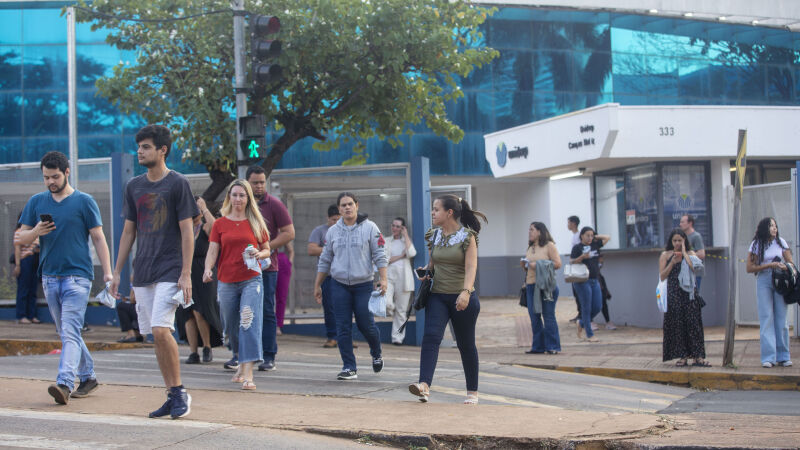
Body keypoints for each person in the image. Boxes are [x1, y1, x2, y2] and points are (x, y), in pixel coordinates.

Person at [110, 124, 198, 419]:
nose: (140, 151)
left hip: (171, 268)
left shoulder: (178, 183)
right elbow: (128, 232)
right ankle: (171, 394)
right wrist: (117, 271)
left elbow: (188, 231)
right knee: (153, 336)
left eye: (146, 147)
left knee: (162, 329)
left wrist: (186, 273)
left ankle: (180, 393)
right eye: (139, 147)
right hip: (143, 270)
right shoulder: (133, 186)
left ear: (162, 150)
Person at [16, 151, 113, 404]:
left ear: (67, 172)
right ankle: (88, 376)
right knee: (67, 332)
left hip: (78, 277)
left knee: (69, 330)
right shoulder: (37, 202)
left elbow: (99, 237)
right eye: (46, 177)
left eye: (55, 176)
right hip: (49, 277)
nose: (51, 182)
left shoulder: (84, 201)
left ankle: (64, 383)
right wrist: (36, 231)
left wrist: (108, 272)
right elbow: (20, 239)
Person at [408, 194, 486, 405]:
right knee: (431, 337)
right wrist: (426, 271)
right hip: (438, 296)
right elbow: (434, 262)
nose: (432, 213)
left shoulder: (467, 237)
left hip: (462, 298)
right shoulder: (434, 236)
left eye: (436, 209)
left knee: (465, 344)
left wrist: (466, 292)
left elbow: (471, 267)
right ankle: (424, 385)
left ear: (449, 213)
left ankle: (472, 392)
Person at [204, 180, 271, 390]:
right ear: (229, 198)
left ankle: (249, 371)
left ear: (248, 198)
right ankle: (240, 359)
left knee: (248, 320)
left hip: (251, 278)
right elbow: (213, 250)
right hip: (226, 280)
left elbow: (267, 249)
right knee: (231, 325)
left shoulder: (256, 222)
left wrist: (260, 254)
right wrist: (208, 269)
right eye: (235, 195)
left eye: (242, 195)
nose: (238, 199)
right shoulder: (219, 224)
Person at [314, 192, 387, 380]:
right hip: (339, 285)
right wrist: (318, 285)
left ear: (357, 205)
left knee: (366, 325)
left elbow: (380, 255)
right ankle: (349, 366)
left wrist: (384, 279)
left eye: (350, 204)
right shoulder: (332, 232)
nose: (347, 208)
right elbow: (325, 259)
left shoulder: (370, 228)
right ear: (339, 209)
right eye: (343, 205)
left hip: (363, 285)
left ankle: (376, 352)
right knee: (343, 327)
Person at [245, 166, 295, 372]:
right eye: (255, 182)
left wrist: (266, 248)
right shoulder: (239, 203)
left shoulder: (274, 204)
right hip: (241, 269)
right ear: (246, 181)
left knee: (266, 310)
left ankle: (268, 355)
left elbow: (289, 233)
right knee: (244, 312)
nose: (259, 186)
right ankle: (242, 355)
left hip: (267, 267)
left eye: (262, 182)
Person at [179, 197, 223, 364]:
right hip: (185, 272)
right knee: (187, 313)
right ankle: (193, 351)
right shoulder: (184, 227)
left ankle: (207, 346)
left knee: (200, 311)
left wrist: (204, 208)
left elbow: (215, 228)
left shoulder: (204, 226)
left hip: (202, 273)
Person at [746, 217, 793, 368]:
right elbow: (749, 268)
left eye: (775, 225)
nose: (774, 228)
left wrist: (785, 266)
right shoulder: (756, 244)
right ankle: (768, 357)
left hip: (780, 279)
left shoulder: (781, 242)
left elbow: (791, 263)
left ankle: (784, 356)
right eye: (771, 225)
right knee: (766, 318)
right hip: (764, 280)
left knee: (781, 319)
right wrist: (768, 265)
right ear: (764, 228)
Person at [660, 228, 708, 367]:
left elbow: (697, 269)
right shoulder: (665, 255)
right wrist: (672, 262)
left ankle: (698, 356)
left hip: (690, 293)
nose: (676, 243)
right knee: (678, 325)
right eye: (674, 241)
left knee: (693, 324)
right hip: (674, 293)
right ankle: (682, 356)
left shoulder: (691, 253)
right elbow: (662, 276)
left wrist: (685, 254)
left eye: (679, 241)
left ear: (684, 241)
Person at [520, 222, 561, 354]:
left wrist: (537, 265)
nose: (529, 232)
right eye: (529, 229)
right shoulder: (530, 247)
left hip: (546, 286)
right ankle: (538, 347)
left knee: (548, 316)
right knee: (534, 316)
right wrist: (525, 265)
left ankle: (553, 346)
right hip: (531, 286)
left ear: (539, 231)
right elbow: (529, 266)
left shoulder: (549, 246)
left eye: (532, 229)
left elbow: (557, 264)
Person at [308, 204, 342, 348]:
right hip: (327, 276)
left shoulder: (346, 230)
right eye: (333, 219)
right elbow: (311, 249)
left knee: (345, 308)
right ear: (328, 218)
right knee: (329, 307)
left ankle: (345, 337)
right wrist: (329, 249)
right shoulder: (320, 231)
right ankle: (332, 336)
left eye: (338, 219)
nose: (336, 222)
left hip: (343, 276)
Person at [570, 226, 610, 342]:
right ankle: (590, 335)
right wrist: (582, 257)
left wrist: (595, 236)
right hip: (581, 281)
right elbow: (571, 261)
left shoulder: (595, 245)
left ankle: (582, 322)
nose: (590, 238)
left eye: (591, 235)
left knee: (598, 306)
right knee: (586, 308)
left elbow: (607, 237)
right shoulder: (577, 248)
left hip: (594, 280)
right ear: (581, 236)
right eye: (587, 235)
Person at [384, 217, 417, 345]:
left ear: (402, 228)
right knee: (387, 302)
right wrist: (401, 256)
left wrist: (406, 235)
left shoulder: (405, 242)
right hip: (388, 277)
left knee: (401, 311)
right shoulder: (387, 241)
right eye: (393, 225)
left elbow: (412, 253)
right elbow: (384, 259)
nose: (395, 228)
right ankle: (390, 308)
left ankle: (397, 338)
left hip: (404, 279)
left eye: (398, 226)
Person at [12, 214, 41, 324]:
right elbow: (17, 249)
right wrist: (18, 265)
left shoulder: (36, 231)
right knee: (23, 289)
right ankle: (21, 315)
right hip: (25, 260)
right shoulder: (19, 231)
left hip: (35, 260)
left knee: (33, 289)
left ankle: (32, 315)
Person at [679, 214, 705, 290]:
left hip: (694, 273)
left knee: (693, 297)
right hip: (685, 273)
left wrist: (686, 255)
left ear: (690, 223)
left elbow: (701, 254)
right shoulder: (683, 237)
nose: (680, 224)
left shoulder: (696, 236)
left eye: (683, 222)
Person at [274, 241, 294, 335]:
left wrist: (289, 262)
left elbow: (291, 250)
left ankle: (278, 325)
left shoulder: (282, 232)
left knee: (282, 296)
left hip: (281, 261)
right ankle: (266, 323)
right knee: (265, 296)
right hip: (266, 260)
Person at [567, 215, 582, 323]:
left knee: (579, 292)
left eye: (569, 223)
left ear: (574, 224)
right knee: (575, 292)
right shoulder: (574, 236)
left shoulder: (578, 236)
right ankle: (579, 313)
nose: (567, 225)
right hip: (574, 266)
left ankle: (582, 314)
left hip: (578, 267)